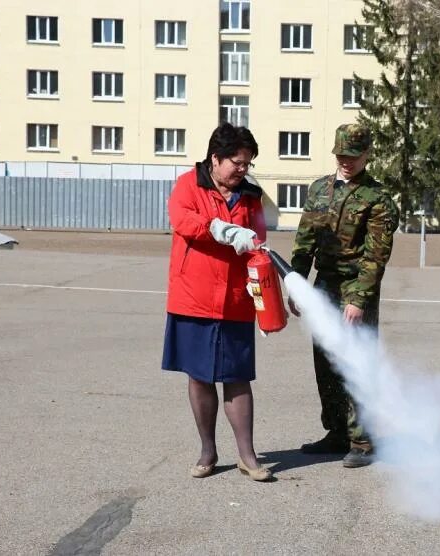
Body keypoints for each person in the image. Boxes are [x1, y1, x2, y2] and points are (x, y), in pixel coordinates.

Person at [161, 123, 272, 481]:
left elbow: (258, 243)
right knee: (199, 377)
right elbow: (183, 221)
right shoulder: (188, 184)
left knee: (238, 377)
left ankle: (248, 456)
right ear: (215, 158)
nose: (243, 170)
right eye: (237, 163)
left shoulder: (252, 195)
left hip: (236, 299)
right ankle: (208, 451)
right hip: (193, 298)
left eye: (248, 163)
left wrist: (266, 298)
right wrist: (222, 230)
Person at [289, 123, 400, 468]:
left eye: (353, 155)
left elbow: (376, 255)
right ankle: (336, 431)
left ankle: (362, 440)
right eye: (341, 155)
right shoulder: (319, 189)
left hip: (356, 287)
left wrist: (357, 300)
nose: (346, 161)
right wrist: (297, 284)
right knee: (326, 361)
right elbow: (305, 241)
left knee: (356, 361)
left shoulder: (378, 199)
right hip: (324, 285)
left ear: (367, 154)